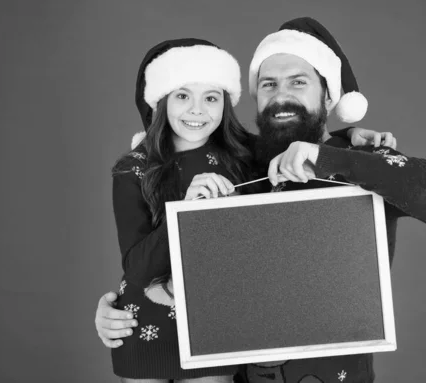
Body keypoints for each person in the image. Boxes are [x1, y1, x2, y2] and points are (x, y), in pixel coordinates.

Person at [106, 36, 396, 383]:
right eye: (182, 95)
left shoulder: (243, 155)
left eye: (211, 98)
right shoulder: (134, 168)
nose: (197, 110)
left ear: (225, 104)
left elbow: (301, 142)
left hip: (216, 325)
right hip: (145, 325)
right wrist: (185, 213)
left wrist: (350, 136)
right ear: (160, 101)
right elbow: (137, 269)